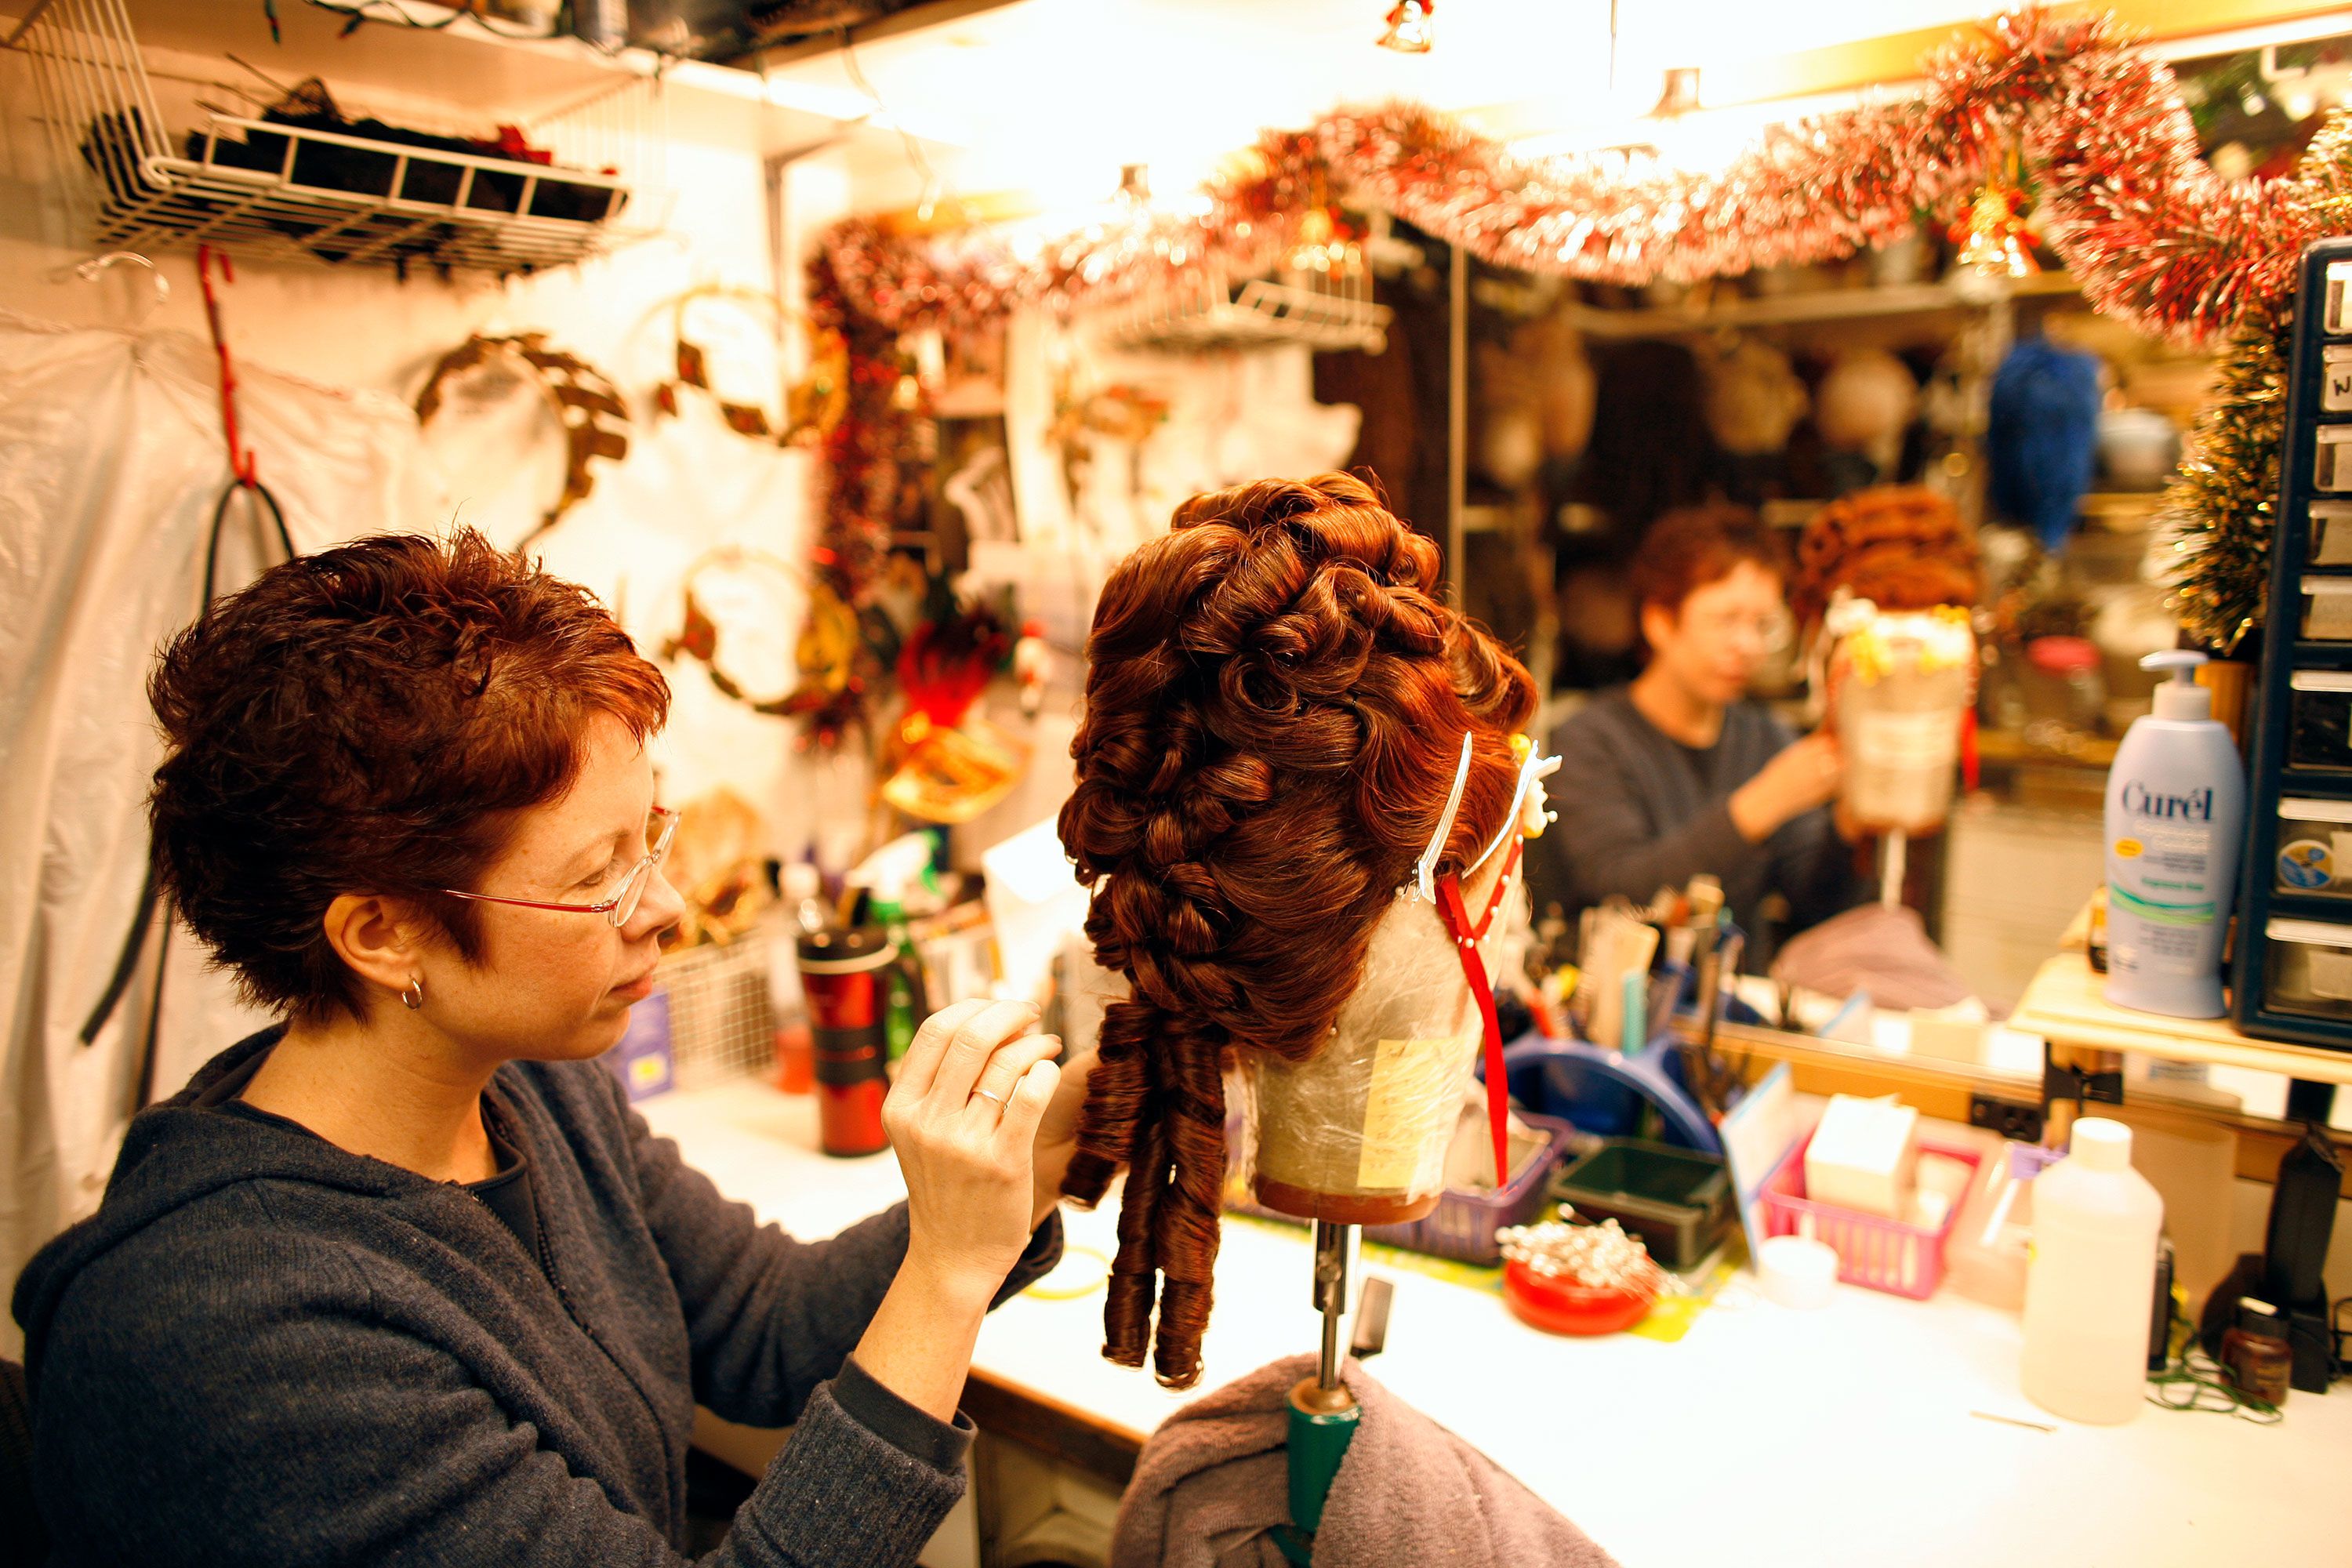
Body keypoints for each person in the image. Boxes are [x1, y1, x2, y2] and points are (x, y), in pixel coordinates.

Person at [10, 531, 1087, 1566]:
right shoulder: (244, 1338)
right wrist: (945, 1272)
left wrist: (1043, 1157)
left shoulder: (523, 1089)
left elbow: (764, 1323)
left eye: (650, 838)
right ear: (383, 934)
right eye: (596, 876)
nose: (663, 904)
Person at [1535, 503, 1862, 956]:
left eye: (1763, 625)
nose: (1748, 646)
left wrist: (1849, 824)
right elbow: (1619, 890)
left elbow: (1815, 905)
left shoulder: (1769, 738)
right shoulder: (1589, 742)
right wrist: (1763, 802)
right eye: (1726, 621)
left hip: (1735, 1004)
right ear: (1660, 622)